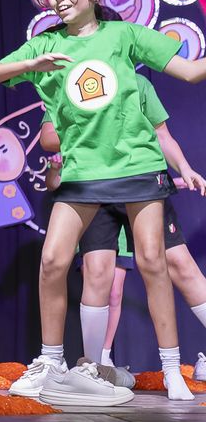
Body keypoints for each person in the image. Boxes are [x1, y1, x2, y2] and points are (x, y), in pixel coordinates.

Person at [0, 0, 206, 404]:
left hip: (137, 169)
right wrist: (32, 63)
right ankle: (51, 361)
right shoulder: (46, 43)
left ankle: (170, 367)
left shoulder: (124, 35)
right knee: (53, 261)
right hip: (82, 176)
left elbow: (190, 71)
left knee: (153, 262)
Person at [40, 75, 206, 382]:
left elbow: (162, 135)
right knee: (97, 273)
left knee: (179, 264)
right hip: (94, 185)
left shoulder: (137, 82)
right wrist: (92, 129)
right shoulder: (71, 82)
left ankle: (170, 369)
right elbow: (48, 136)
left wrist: (184, 168)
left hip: (141, 180)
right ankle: (92, 368)